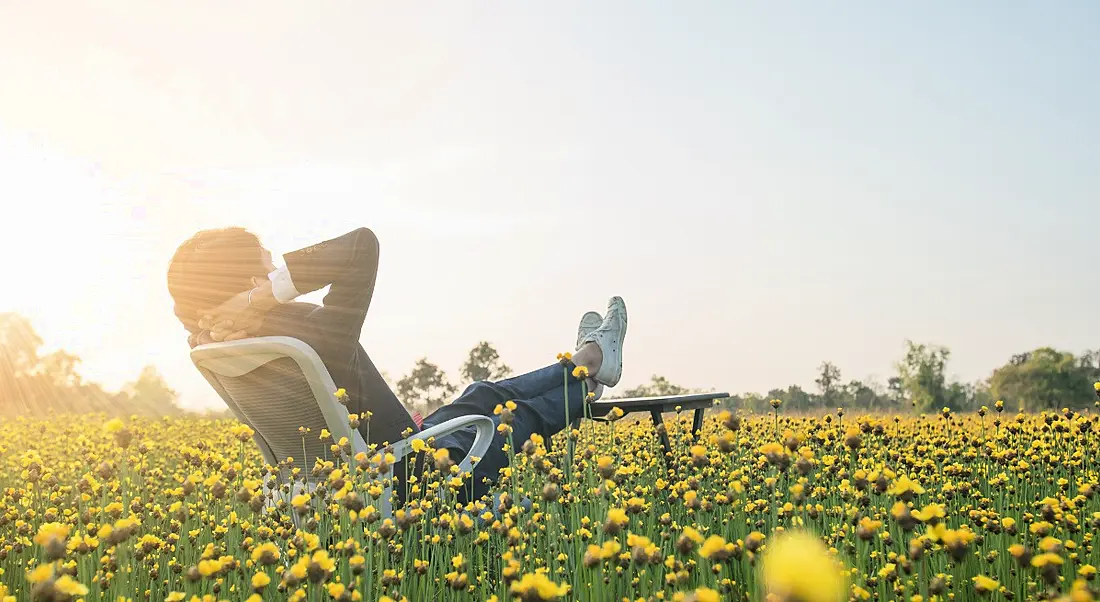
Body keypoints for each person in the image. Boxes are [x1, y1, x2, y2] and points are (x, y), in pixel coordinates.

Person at [167, 226, 628, 501]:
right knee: (511, 418)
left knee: (481, 395)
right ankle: (586, 381)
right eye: (269, 266)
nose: (278, 270)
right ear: (251, 283)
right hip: (415, 477)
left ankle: (587, 359)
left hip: (372, 467)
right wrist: (257, 300)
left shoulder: (218, 352)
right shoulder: (310, 332)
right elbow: (359, 246)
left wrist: (217, 317)